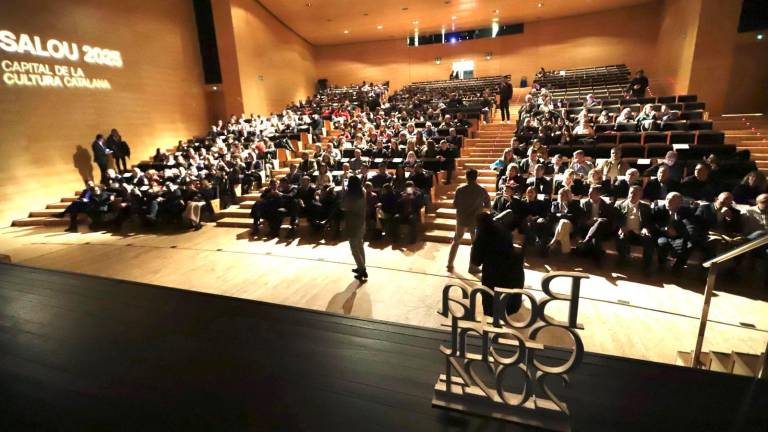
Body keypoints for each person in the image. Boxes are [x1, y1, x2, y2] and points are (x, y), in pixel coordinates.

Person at [470, 212, 525, 318]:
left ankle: (496, 325)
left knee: (493, 302)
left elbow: (476, 261)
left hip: (494, 271)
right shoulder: (502, 228)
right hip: (512, 268)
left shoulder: (483, 233)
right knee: (507, 299)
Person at [447, 169, 491, 272]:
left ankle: (449, 264)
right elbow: (488, 207)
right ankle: (472, 267)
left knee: (456, 241)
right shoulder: (482, 190)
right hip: (475, 221)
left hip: (461, 220)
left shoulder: (460, 189)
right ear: (476, 177)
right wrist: (478, 208)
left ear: (466, 177)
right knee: (474, 244)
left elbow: (455, 205)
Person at [614, 185, 655, 269]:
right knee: (621, 238)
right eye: (631, 193)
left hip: (640, 232)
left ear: (641, 195)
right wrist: (621, 226)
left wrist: (646, 228)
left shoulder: (646, 207)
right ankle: (623, 259)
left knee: (649, 239)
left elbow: (650, 221)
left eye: (635, 194)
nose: (632, 195)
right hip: (626, 231)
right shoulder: (619, 205)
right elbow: (615, 218)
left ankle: (647, 264)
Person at [653, 192, 693, 272]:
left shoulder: (686, 212)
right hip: (663, 235)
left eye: (671, 200)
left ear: (679, 203)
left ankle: (677, 267)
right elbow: (653, 224)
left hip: (678, 235)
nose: (668, 202)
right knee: (663, 243)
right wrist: (664, 229)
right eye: (667, 199)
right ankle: (661, 264)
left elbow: (689, 226)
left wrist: (677, 233)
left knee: (689, 245)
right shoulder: (658, 209)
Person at [577, 186, 616, 261]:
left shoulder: (607, 204)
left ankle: (586, 242)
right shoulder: (584, 203)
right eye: (589, 191)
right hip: (588, 228)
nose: (589, 193)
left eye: (591, 192)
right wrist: (588, 221)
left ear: (599, 194)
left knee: (600, 222)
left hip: (603, 228)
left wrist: (597, 220)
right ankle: (597, 259)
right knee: (596, 236)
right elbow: (581, 218)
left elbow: (610, 220)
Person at [342, 175, 368, 281]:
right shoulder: (363, 191)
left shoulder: (351, 195)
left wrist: (344, 192)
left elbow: (344, 207)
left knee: (354, 248)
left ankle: (362, 270)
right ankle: (361, 265)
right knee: (360, 245)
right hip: (361, 221)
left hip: (353, 223)